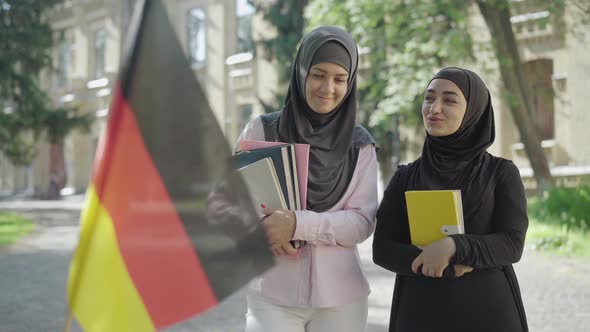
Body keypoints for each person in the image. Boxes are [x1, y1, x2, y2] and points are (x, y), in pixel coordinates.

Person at [235, 26, 378, 332]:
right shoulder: (262, 130)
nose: (328, 88)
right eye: (318, 74)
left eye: (340, 79)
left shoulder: (360, 145)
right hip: (271, 294)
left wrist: (298, 224)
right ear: (301, 73)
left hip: (341, 300)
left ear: (350, 83)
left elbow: (362, 222)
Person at [373, 67, 529, 332]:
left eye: (449, 100)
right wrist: (432, 263)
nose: (434, 108)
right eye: (429, 98)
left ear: (473, 112)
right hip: (419, 314)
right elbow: (382, 248)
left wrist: (454, 247)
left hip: (487, 314)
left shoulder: (500, 173)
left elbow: (512, 243)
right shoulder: (405, 177)